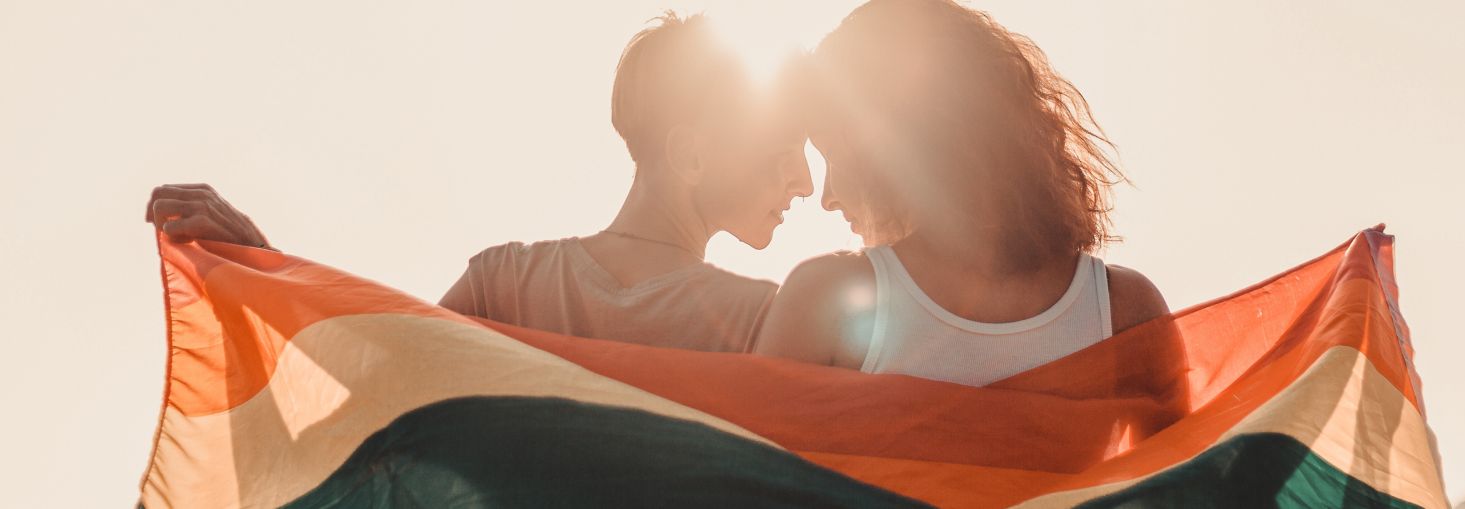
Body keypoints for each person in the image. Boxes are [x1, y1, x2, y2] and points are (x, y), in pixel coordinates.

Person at [145, 11, 813, 353]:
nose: (805, 182)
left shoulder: (508, 283)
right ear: (692, 156)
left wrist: (267, 269)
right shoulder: (763, 323)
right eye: (782, 149)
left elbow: (375, 380)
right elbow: (388, 380)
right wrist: (262, 267)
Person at [755, 0, 1185, 404]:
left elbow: (739, 475)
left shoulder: (822, 301)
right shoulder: (1127, 307)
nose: (828, 198)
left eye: (832, 154)